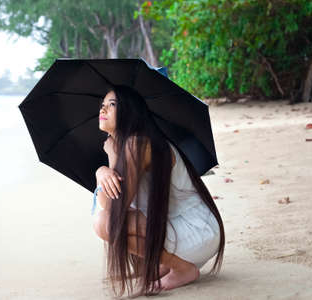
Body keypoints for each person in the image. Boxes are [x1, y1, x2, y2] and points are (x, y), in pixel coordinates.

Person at [92, 85, 225, 297]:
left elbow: (113, 207)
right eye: (102, 105)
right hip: (185, 233)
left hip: (195, 230)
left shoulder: (137, 145)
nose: (103, 110)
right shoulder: (129, 145)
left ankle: (182, 269)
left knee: (103, 223)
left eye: (112, 104)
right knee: (105, 219)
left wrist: (109, 160)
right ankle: (166, 264)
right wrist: (102, 171)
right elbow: (108, 203)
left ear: (130, 111)